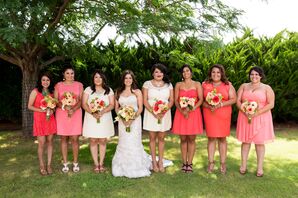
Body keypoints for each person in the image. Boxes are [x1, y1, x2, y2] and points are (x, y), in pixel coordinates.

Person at [236, 66, 275, 177]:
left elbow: (271, 104)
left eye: (256, 74)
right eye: (252, 74)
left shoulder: (267, 88)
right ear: (249, 75)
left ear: (261, 76)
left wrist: (257, 113)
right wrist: (244, 111)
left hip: (261, 117)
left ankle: (260, 168)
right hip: (245, 116)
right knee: (245, 142)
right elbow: (238, 100)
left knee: (259, 143)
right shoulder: (243, 86)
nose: (254, 76)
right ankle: (243, 166)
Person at [112, 70, 151, 178]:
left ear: (132, 79)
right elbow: (116, 108)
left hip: (135, 121)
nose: (128, 80)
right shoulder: (118, 92)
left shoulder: (137, 92)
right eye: (126, 78)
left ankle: (137, 166)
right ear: (123, 80)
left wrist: (132, 118)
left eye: (130, 78)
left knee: (134, 141)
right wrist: (123, 117)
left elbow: (140, 108)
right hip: (122, 121)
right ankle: (121, 166)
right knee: (124, 141)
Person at [202, 64, 236, 174]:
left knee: (222, 139)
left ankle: (223, 163)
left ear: (222, 74)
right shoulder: (205, 85)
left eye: (218, 72)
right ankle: (211, 162)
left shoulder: (227, 85)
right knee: (211, 138)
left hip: (223, 114)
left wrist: (221, 104)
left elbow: (233, 99)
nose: (215, 74)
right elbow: (200, 100)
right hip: (209, 113)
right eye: (213, 72)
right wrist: (207, 105)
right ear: (210, 74)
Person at [142, 63, 174, 173]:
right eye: (156, 72)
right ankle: (154, 162)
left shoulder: (169, 85)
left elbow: (171, 101)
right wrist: (153, 112)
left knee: (161, 138)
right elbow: (145, 100)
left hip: (164, 114)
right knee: (152, 138)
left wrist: (164, 111)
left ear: (164, 73)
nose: (158, 74)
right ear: (152, 73)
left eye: (161, 72)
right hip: (151, 114)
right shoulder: (147, 84)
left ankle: (160, 161)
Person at [172, 65, 203, 173]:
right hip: (181, 113)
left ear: (191, 72)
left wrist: (192, 108)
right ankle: (184, 162)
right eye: (183, 71)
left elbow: (201, 99)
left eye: (187, 71)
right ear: (182, 74)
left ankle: (189, 163)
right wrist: (182, 110)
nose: (185, 73)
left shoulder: (197, 84)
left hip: (194, 113)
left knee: (191, 139)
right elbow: (176, 100)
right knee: (183, 139)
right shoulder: (178, 84)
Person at [82, 70, 115, 173]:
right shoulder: (88, 90)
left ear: (103, 79)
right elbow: (84, 104)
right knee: (93, 140)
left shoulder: (109, 90)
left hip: (104, 118)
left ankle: (101, 163)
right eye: (96, 77)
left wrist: (102, 111)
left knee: (102, 140)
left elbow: (112, 104)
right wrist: (93, 113)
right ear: (93, 79)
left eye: (100, 77)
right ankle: (96, 164)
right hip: (91, 118)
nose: (98, 79)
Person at [54, 65, 83, 173]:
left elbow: (80, 100)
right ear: (63, 74)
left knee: (75, 139)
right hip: (62, 114)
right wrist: (64, 107)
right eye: (67, 73)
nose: (70, 75)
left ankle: (75, 163)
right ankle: (65, 163)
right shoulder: (58, 85)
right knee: (64, 139)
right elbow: (56, 100)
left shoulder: (79, 85)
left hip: (76, 113)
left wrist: (74, 109)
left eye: (72, 73)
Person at [28, 72, 57, 175]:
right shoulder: (35, 92)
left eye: (48, 80)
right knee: (42, 143)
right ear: (40, 81)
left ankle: (49, 165)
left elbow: (54, 106)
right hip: (40, 120)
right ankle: (41, 165)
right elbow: (29, 106)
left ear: (50, 81)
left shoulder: (52, 93)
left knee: (50, 142)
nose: (45, 82)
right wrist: (42, 110)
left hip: (50, 120)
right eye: (43, 80)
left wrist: (52, 110)